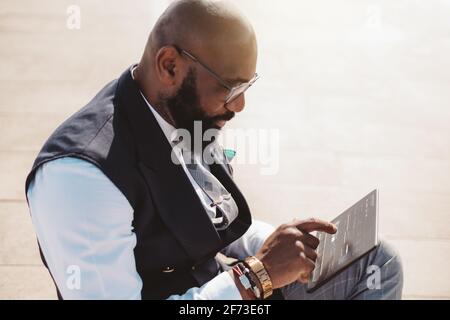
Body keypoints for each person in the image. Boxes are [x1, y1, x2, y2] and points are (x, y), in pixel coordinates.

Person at [25, 0, 403, 300]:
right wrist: (257, 275)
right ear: (169, 65)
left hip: (224, 288)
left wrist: (276, 246)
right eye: (230, 89)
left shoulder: (176, 110)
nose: (238, 107)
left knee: (375, 259)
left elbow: (206, 211)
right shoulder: (80, 178)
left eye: (245, 89)